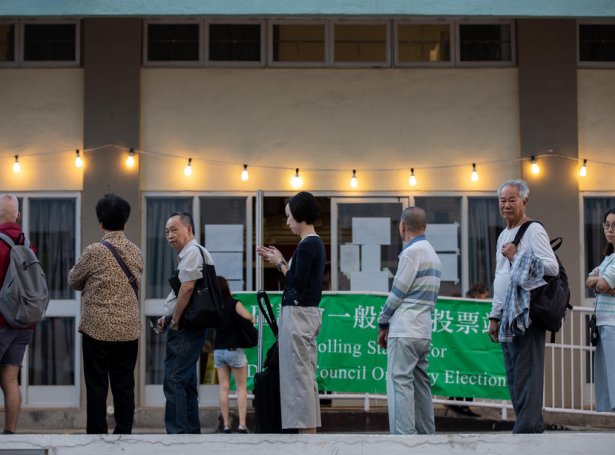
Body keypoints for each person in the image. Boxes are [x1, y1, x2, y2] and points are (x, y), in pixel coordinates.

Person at [68, 194, 143, 434]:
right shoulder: (135, 251)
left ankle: (97, 434)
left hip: (96, 328)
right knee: (124, 384)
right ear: (125, 221)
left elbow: (73, 280)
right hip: (128, 329)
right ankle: (124, 432)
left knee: (97, 385)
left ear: (100, 222)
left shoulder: (93, 251)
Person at [488, 179, 558, 433]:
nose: (506, 205)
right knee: (515, 376)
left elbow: (552, 267)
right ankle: (531, 428)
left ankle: (526, 431)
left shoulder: (533, 230)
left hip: (527, 313)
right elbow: (499, 276)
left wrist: (516, 255)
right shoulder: (503, 235)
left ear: (524, 201)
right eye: (502, 200)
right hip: (507, 313)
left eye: (512, 199)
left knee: (527, 374)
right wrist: (494, 315)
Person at [256, 191, 326, 434]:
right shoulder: (313, 243)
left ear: (299, 215)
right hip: (305, 315)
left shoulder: (308, 245)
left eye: (289, 217)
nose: (287, 222)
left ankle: (306, 435)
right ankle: (307, 434)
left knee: (299, 378)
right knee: (303, 375)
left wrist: (279, 262)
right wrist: (281, 260)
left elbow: (296, 282)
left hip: (298, 316)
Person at [376, 207, 442, 435]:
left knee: (399, 384)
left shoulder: (412, 252)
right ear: (425, 227)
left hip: (404, 329)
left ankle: (404, 441)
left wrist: (383, 322)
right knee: (421, 385)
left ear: (402, 226)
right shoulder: (432, 254)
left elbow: (397, 293)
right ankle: (427, 438)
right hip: (423, 330)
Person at [156, 212, 212, 434]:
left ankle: (178, 435)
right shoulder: (193, 253)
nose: (169, 235)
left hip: (186, 326)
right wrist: (167, 317)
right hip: (188, 324)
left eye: (174, 229)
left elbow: (188, 288)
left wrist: (175, 320)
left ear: (189, 230)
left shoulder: (192, 253)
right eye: (166, 231)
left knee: (175, 379)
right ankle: (190, 432)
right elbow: (181, 292)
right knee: (186, 381)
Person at [0, 194, 35, 435]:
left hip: (0, 321)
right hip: (23, 323)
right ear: (18, 216)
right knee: (11, 379)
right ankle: (10, 432)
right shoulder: (28, 245)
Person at [214, 276, 255, 433]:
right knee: (241, 388)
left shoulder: (215, 306)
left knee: (224, 388)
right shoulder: (233, 303)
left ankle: (225, 424)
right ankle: (242, 424)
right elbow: (248, 317)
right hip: (234, 350)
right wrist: (252, 318)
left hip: (218, 350)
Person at [585, 208, 615, 412]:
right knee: (604, 375)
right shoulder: (608, 258)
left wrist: (601, 283)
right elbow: (590, 280)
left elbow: (602, 285)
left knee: (613, 373)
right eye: (607, 225)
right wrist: (601, 283)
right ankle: (606, 415)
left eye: (614, 225)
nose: (610, 229)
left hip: (613, 323)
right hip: (603, 322)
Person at [447, 282, 490, 418]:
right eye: (485, 296)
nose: (486, 300)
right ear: (478, 295)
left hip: (471, 347)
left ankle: (464, 405)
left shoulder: (477, 307)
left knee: (471, 375)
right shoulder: (467, 306)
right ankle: (457, 403)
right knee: (463, 375)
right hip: (465, 346)